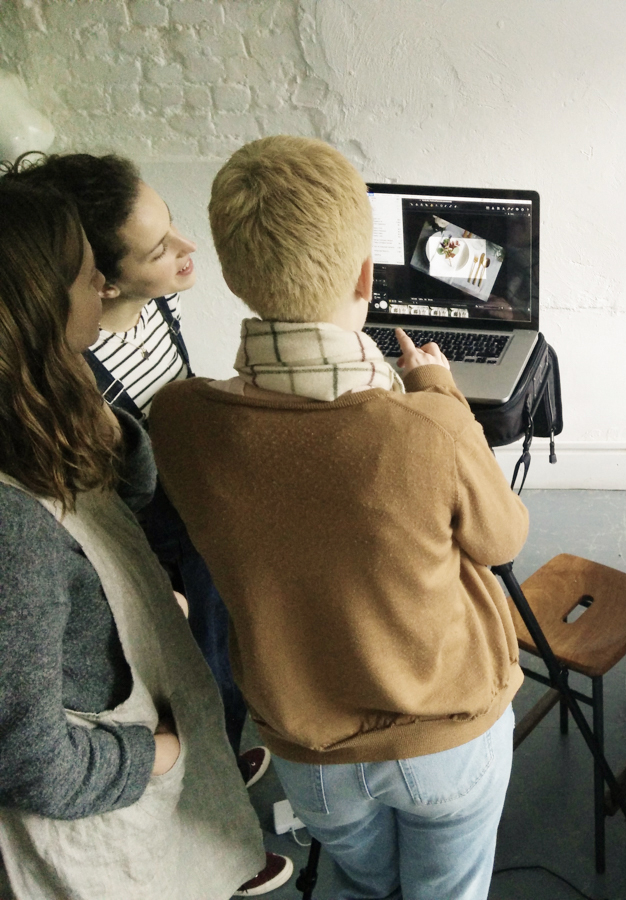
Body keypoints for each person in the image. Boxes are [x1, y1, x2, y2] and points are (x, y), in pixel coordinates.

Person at [150, 135, 530, 900]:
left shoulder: (180, 420)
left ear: (231, 272)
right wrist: (438, 393)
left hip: (308, 753)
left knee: (362, 885)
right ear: (367, 275)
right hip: (443, 740)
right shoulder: (426, 428)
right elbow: (503, 538)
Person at [0, 181, 275, 897]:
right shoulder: (12, 534)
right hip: (110, 798)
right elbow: (37, 766)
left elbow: (118, 513)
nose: (104, 283)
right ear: (35, 313)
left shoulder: (41, 409)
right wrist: (164, 753)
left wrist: (116, 433)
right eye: (87, 273)